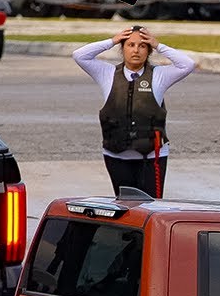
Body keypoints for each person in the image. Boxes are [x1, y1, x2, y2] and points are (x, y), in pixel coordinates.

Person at [72, 26, 196, 197]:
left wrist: (158, 45)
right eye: (130, 45)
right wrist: (112, 41)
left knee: (151, 209)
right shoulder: (107, 73)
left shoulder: (159, 75)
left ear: (149, 50)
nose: (136, 50)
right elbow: (79, 55)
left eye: (142, 46)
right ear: (122, 49)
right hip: (116, 155)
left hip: (152, 157)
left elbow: (187, 64)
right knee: (126, 208)